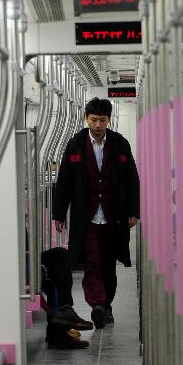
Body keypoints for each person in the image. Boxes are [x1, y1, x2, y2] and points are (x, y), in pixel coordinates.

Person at [52, 98, 140, 329]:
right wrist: (59, 213)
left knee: (109, 264)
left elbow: (132, 179)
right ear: (86, 119)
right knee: (91, 262)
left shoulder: (120, 144)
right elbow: (64, 182)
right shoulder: (75, 145)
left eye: (102, 120)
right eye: (94, 120)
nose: (98, 124)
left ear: (109, 120)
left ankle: (107, 305)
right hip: (86, 216)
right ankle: (97, 305)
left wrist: (133, 210)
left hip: (114, 216)